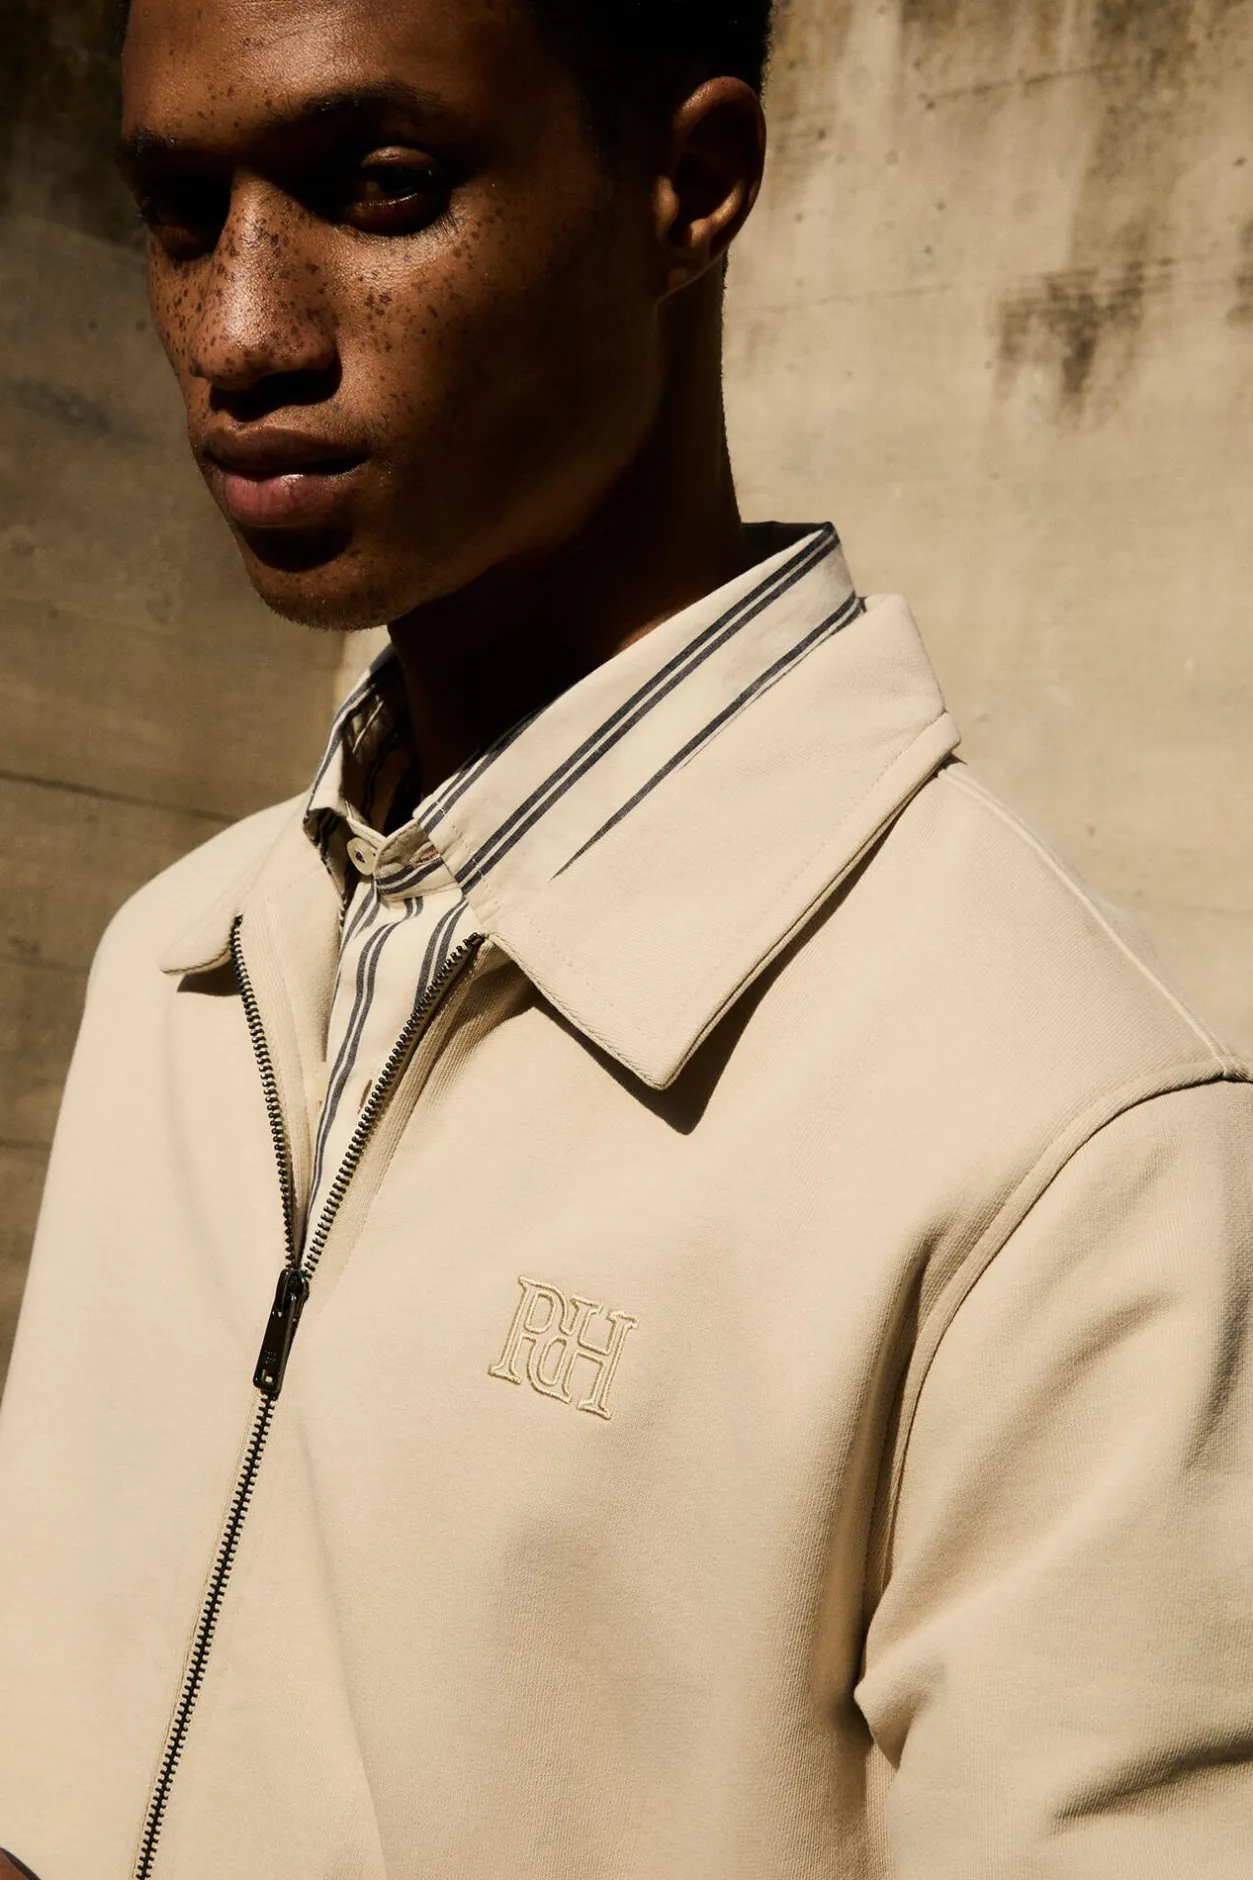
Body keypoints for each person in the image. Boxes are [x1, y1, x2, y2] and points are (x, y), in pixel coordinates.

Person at [1, 0, 1251, 1874]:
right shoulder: (180, 962)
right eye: (183, 212)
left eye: (383, 187)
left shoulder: (1071, 1140)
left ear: (694, 184)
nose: (240, 330)